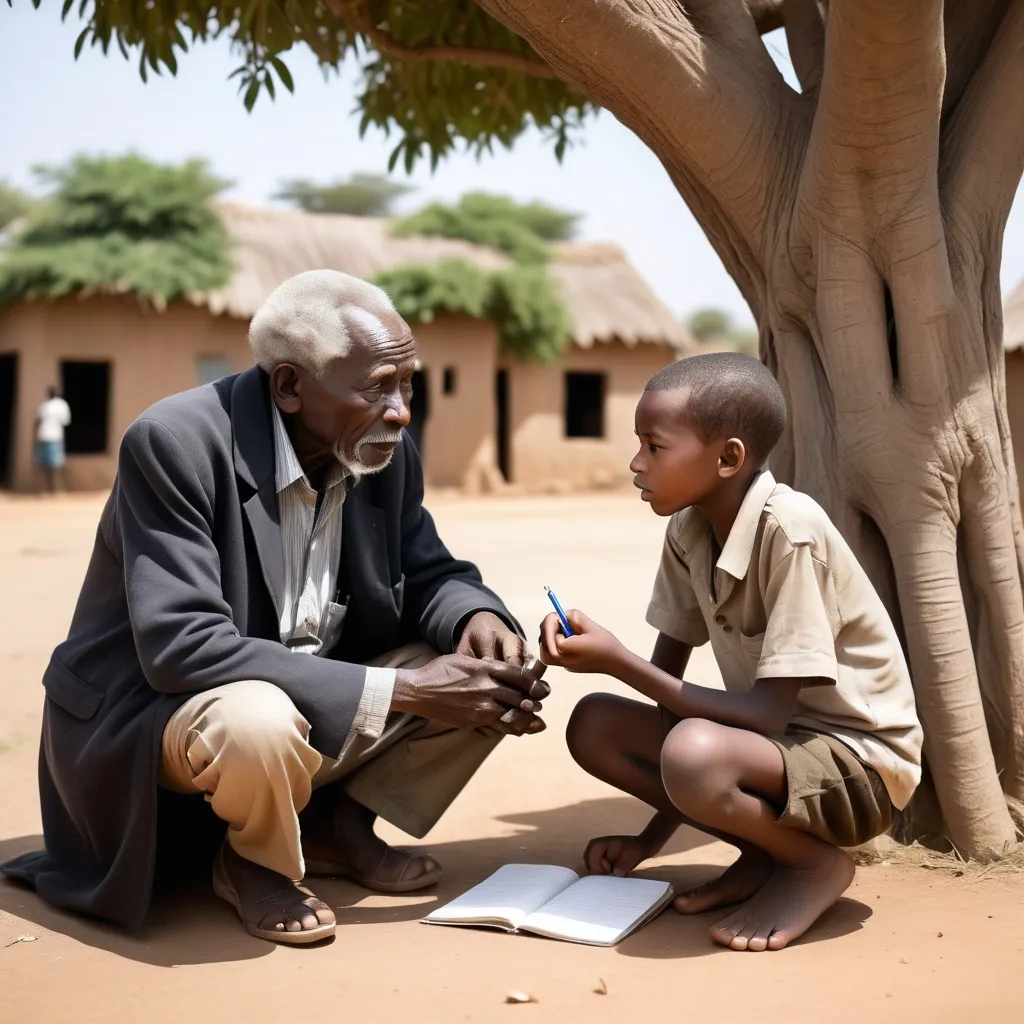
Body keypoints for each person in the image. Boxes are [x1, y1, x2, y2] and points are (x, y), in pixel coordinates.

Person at [2, 270, 548, 946]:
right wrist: (408, 690)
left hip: (306, 702)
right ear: (290, 385)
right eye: (377, 387)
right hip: (159, 719)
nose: (402, 410)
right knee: (259, 720)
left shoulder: (383, 451)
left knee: (486, 676)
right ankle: (255, 863)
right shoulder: (176, 443)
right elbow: (184, 647)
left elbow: (431, 571)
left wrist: (478, 622)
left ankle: (334, 824)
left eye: (408, 384)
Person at [539, 352, 923, 953]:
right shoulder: (688, 530)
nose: (636, 465)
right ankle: (761, 853)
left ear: (728, 458)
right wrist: (649, 841)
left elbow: (763, 718)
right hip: (767, 756)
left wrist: (617, 658)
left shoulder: (789, 531)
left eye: (654, 447)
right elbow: (668, 706)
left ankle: (813, 865)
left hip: (857, 769)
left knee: (695, 750)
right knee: (596, 723)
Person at [34, 386, 71, 493]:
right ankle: (48, 490)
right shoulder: (47, 405)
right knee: (46, 464)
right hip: (48, 437)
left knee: (55, 465)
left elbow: (65, 421)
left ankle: (56, 489)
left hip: (51, 437)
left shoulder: (58, 405)